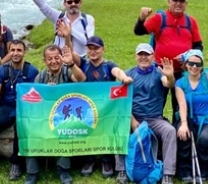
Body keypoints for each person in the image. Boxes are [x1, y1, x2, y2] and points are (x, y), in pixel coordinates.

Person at [135, 0, 202, 124]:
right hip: (161, 70)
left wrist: (187, 56)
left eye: (181, 1)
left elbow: (198, 46)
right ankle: (156, 129)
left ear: (186, 4)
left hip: (183, 72)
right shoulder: (160, 18)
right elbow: (139, 31)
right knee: (157, 101)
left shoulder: (191, 22)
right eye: (175, 0)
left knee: (180, 105)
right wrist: (142, 18)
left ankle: (179, 131)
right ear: (169, 2)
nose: (178, 3)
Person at [0, 39, 40, 180]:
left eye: (19, 50)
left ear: (24, 52)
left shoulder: (32, 71)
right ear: (9, 52)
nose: (15, 53)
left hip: (24, 107)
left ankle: (16, 163)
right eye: (12, 50)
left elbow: (38, 94)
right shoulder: (2, 70)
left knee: (20, 124)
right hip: (6, 106)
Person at [115, 43, 176, 184]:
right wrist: (132, 120)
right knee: (118, 129)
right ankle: (121, 170)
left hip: (155, 119)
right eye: (140, 54)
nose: (143, 57)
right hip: (134, 118)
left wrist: (170, 76)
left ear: (153, 56)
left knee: (170, 131)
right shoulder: (128, 74)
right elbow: (121, 101)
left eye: (147, 54)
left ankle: (168, 173)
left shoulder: (158, 73)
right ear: (136, 56)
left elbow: (168, 84)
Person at [25, 45, 86, 184]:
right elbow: (33, 101)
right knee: (31, 132)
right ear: (45, 61)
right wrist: (46, 92)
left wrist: (71, 63)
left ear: (61, 58)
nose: (54, 61)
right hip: (45, 117)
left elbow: (81, 79)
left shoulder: (67, 71)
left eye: (57, 58)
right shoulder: (40, 77)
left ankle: (63, 170)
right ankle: (32, 173)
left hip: (65, 117)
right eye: (50, 59)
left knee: (63, 131)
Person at [74, 35, 133, 179]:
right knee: (87, 129)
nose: (93, 51)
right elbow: (72, 57)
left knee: (107, 129)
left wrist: (124, 78)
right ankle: (89, 160)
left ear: (103, 49)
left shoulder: (108, 65)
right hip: (88, 108)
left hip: (107, 109)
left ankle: (107, 161)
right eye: (90, 48)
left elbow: (117, 71)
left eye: (96, 48)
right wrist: (67, 37)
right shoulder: (84, 64)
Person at [175, 25, 208, 183]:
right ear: (186, 65)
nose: (194, 67)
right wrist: (183, 124)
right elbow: (181, 105)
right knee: (183, 135)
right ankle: (184, 169)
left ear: (202, 66)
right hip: (188, 118)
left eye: (198, 64)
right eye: (191, 64)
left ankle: (203, 169)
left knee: (204, 138)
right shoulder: (180, 82)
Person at [26, 0, 95, 55]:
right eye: (69, 2)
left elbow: (88, 42)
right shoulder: (58, 16)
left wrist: (69, 31)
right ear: (64, 4)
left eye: (76, 1)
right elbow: (43, 6)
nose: (73, 4)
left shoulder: (88, 19)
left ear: (80, 3)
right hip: (58, 59)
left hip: (79, 60)